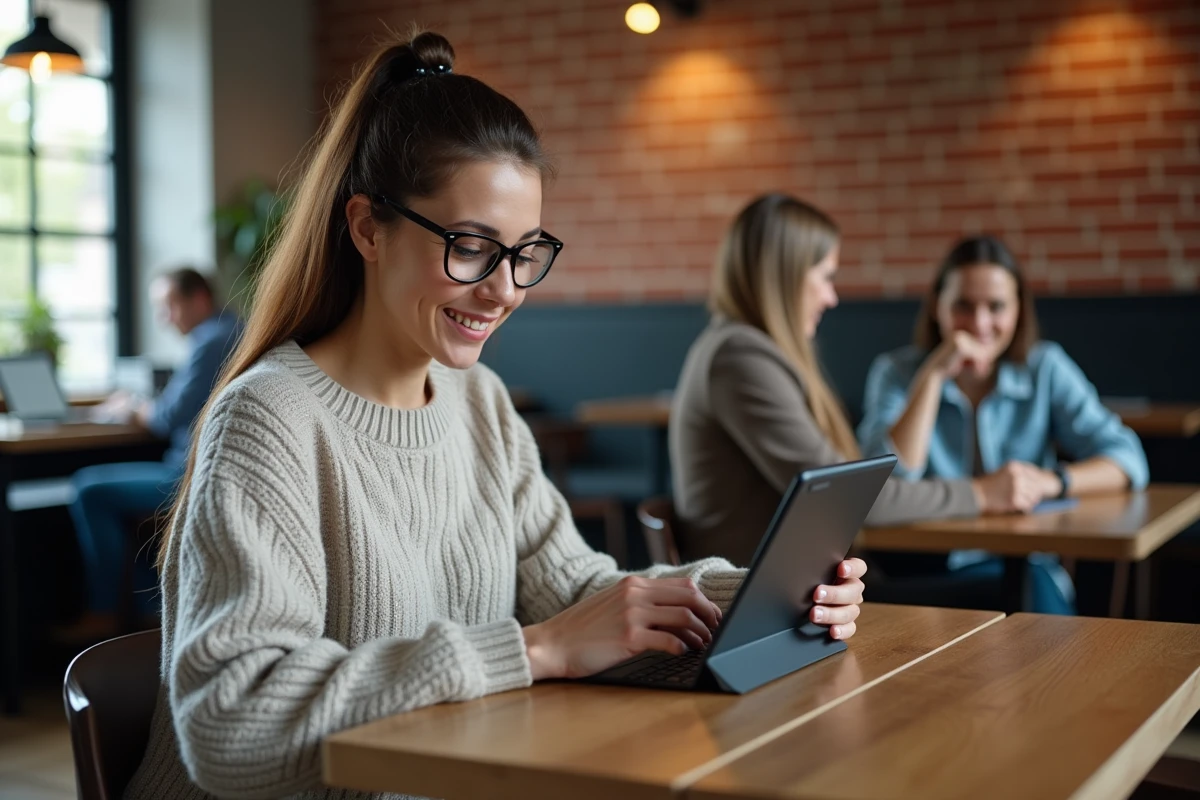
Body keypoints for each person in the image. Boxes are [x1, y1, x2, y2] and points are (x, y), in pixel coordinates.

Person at [123, 33, 867, 800]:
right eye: (472, 246)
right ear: (367, 228)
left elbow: (579, 594)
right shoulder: (270, 419)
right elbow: (232, 725)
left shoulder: (479, 403)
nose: (505, 290)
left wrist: (763, 598)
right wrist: (536, 651)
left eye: (525, 254)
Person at [671, 194, 1061, 569]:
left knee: (1018, 588)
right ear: (785, 279)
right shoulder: (741, 358)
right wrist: (981, 494)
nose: (832, 297)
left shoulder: (737, 349)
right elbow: (849, 503)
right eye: (826, 277)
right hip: (770, 609)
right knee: (1022, 594)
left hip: (806, 596)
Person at [857, 235, 1149, 614]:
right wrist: (932, 377)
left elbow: (1128, 458)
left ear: (1018, 312)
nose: (979, 323)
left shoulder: (1044, 366)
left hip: (1026, 566)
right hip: (922, 572)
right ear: (936, 307)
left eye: (996, 307)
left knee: (1038, 604)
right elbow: (882, 484)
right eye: (963, 305)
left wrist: (1048, 482)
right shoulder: (895, 373)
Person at [65, 267, 240, 636]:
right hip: (213, 471)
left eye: (169, 306)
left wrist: (131, 408)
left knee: (88, 489)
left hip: (190, 475)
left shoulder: (211, 341)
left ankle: (107, 611)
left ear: (200, 299)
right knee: (114, 500)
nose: (163, 319)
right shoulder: (233, 330)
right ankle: (149, 613)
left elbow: (167, 417)